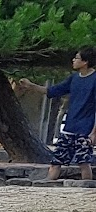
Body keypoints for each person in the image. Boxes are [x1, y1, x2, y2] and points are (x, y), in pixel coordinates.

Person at [16, 49, 96, 181]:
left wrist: (93, 133)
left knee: (83, 162)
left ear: (85, 61)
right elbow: (52, 91)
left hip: (85, 129)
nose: (73, 60)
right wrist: (31, 86)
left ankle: (85, 189)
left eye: (77, 58)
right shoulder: (74, 78)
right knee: (56, 160)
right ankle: (47, 185)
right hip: (69, 128)